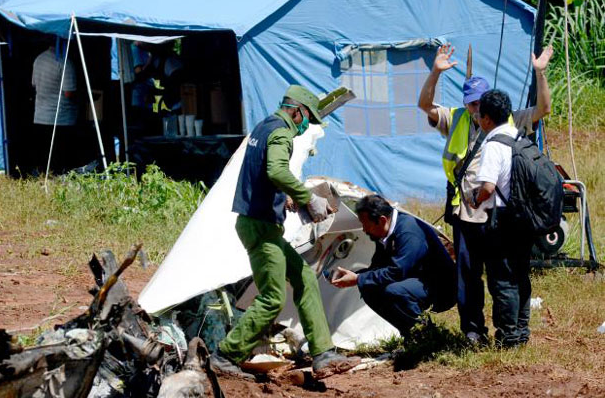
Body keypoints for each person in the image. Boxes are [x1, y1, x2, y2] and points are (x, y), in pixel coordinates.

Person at [210, 85, 361, 380]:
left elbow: (259, 172)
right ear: (298, 111)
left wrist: (284, 197)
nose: (306, 127)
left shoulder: (263, 126)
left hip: (258, 221)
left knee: (304, 277)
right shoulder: (281, 131)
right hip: (261, 226)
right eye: (307, 120)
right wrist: (309, 199)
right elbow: (276, 171)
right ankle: (225, 354)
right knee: (272, 298)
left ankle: (322, 353)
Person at [417, 43, 553, 344]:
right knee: (467, 275)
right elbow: (425, 106)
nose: (475, 109)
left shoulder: (507, 119)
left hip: (498, 216)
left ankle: (509, 331)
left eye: (479, 103)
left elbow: (543, 109)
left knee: (501, 276)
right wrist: (435, 73)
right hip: (465, 212)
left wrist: (540, 74)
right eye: (470, 103)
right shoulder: (456, 118)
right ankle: (473, 331)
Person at [331, 195, 456, 338]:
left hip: (441, 287)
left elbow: (397, 272)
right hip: (415, 279)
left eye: (366, 224)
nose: (364, 230)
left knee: (394, 290)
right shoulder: (384, 232)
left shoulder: (408, 231)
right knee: (368, 287)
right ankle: (411, 335)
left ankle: (426, 336)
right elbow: (378, 267)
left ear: (382, 220)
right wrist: (354, 275)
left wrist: (358, 278)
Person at [467, 90, 534, 348]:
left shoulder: (493, 145)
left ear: (485, 120)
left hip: (503, 220)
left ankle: (508, 338)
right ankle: (522, 330)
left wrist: (474, 198)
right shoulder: (519, 137)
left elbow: (488, 187)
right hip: (525, 218)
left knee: (503, 280)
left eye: (478, 114)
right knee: (520, 275)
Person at [32, 43, 78, 173]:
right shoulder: (65, 63)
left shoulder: (38, 59)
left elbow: (34, 84)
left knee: (45, 157)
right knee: (60, 157)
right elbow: (69, 93)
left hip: (41, 115)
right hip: (61, 118)